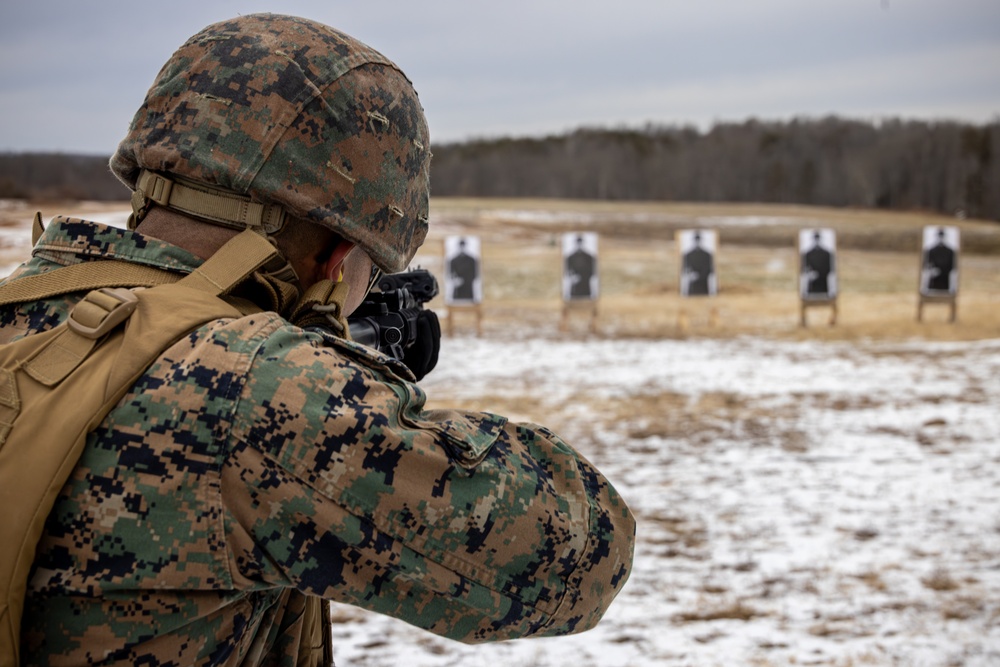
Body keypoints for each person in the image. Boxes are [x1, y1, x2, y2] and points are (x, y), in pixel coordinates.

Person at [0, 14, 634, 666]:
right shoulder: (252, 390)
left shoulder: (25, 311)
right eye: (370, 268)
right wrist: (350, 374)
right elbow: (577, 554)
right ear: (335, 258)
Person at [802, 230, 835, 297]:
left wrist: (819, 274)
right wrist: (810, 274)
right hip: (812, 284)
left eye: (818, 239)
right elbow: (805, 267)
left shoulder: (827, 254)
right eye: (815, 239)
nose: (816, 241)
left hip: (823, 283)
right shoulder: (808, 254)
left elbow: (830, 268)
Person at [682, 231, 714, 296]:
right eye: (696, 240)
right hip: (692, 284)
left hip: (703, 283)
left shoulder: (707, 255)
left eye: (698, 240)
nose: (697, 242)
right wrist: (691, 274)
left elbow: (710, 269)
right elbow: (685, 268)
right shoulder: (688, 255)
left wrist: (699, 276)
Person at [564, 234, 596, 299]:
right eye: (578, 243)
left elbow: (593, 271)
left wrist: (584, 277)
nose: (579, 245)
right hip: (575, 287)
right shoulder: (570, 257)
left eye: (580, 243)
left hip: (585, 285)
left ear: (583, 243)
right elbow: (567, 271)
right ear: (575, 243)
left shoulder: (589, 257)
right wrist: (572, 277)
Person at [448, 237, 479, 302]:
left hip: (468, 287)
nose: (462, 248)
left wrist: (467, 280)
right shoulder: (453, 260)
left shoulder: (471, 260)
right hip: (458, 289)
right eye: (461, 246)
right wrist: (455, 280)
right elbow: (451, 273)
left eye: (463, 246)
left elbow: (475, 274)